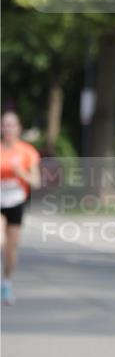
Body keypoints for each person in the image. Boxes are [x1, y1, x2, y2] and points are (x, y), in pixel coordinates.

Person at [1, 111, 41, 305]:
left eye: (11, 125)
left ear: (19, 128)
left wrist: (21, 173)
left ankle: (6, 284)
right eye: (5, 125)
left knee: (11, 248)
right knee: (0, 240)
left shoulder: (27, 152)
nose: (8, 129)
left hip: (16, 201)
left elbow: (36, 182)